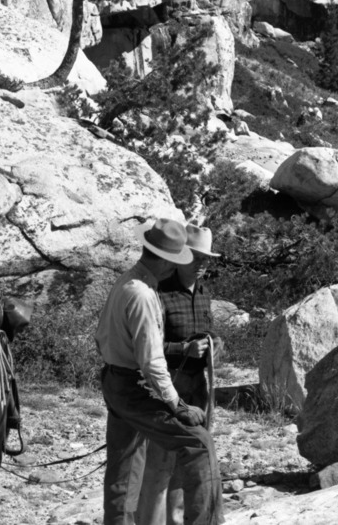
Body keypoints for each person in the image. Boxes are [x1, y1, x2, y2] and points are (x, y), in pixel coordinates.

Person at [98, 218, 221, 525]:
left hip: (116, 380)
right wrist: (176, 405)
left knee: (124, 470)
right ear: (165, 260)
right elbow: (152, 362)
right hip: (135, 386)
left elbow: (101, 338)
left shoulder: (127, 282)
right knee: (199, 443)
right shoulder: (143, 295)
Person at [136, 224, 219, 525]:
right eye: (198, 257)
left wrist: (214, 344)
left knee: (190, 461)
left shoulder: (205, 293)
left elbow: (209, 331)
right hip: (168, 388)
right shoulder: (161, 292)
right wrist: (184, 349)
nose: (202, 265)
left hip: (199, 388)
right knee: (161, 463)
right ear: (183, 255)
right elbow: (148, 345)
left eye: (207, 259)